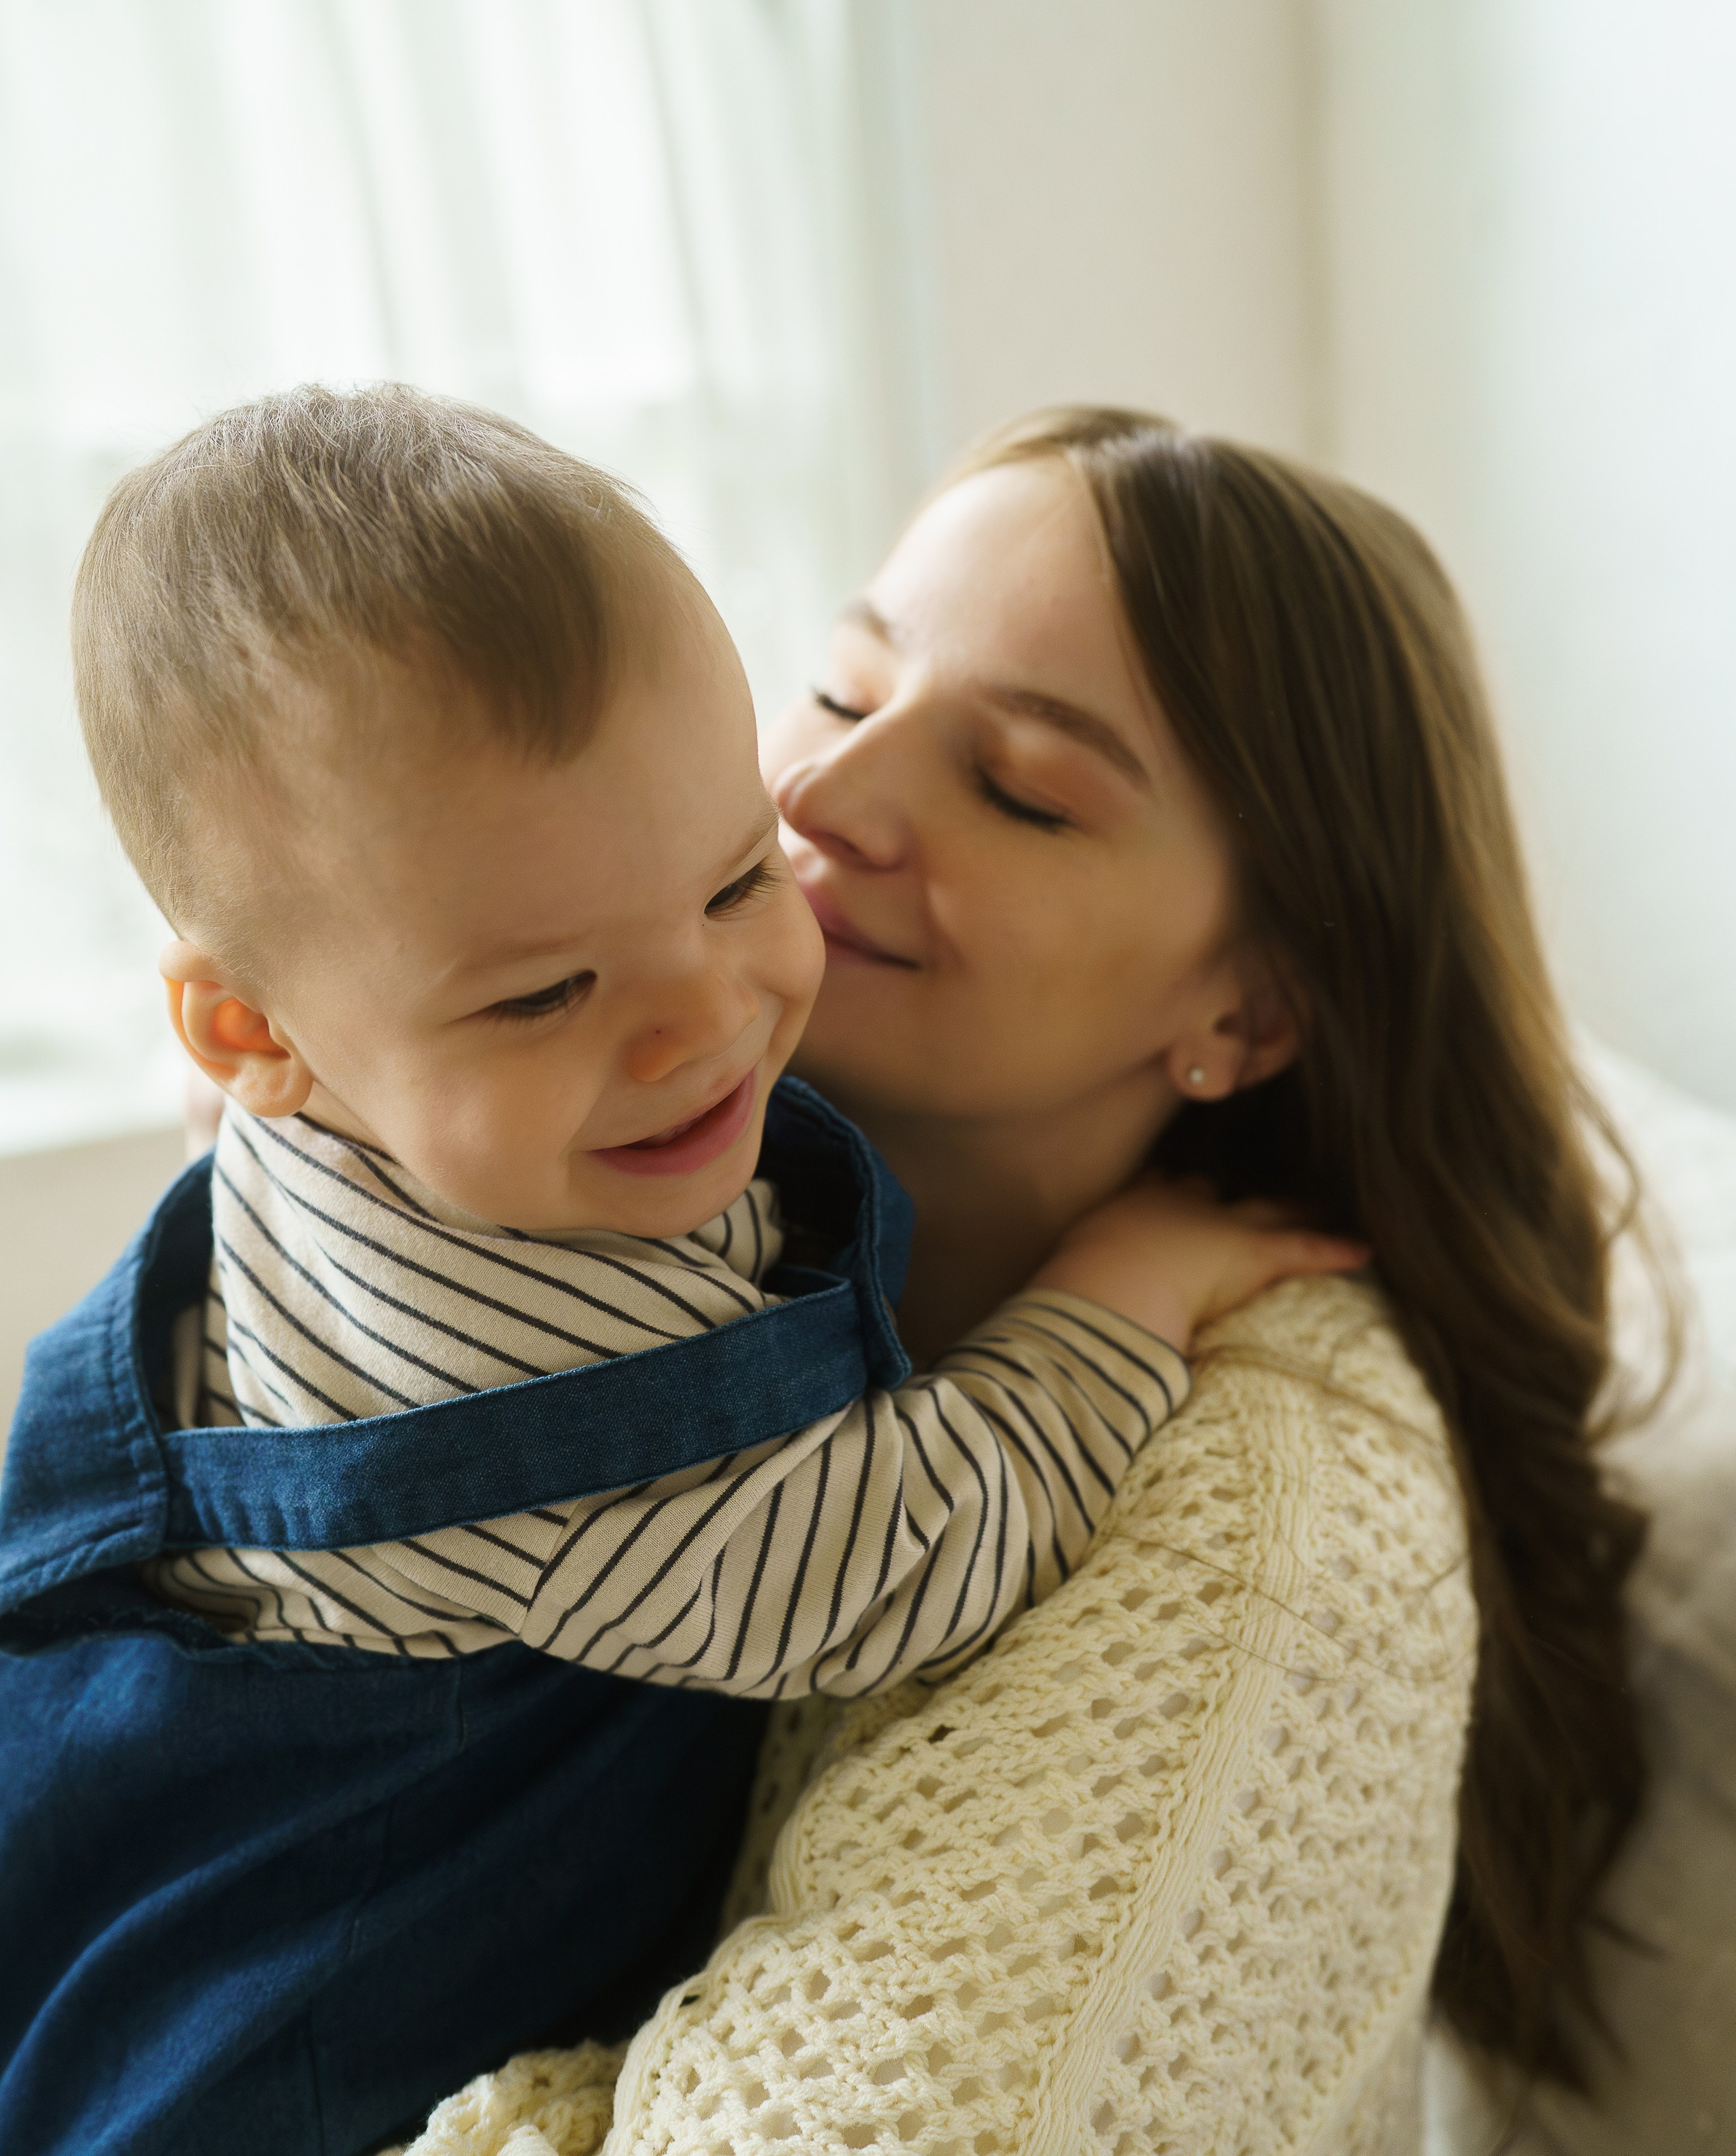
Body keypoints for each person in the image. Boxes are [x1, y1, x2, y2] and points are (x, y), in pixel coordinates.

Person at [0, 387, 1361, 2156]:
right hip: (271, 2049)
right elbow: (910, 1549)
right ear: (260, 1029)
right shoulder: (551, 1417)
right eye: (545, 993)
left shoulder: (372, 1074)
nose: (710, 1025)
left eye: (733, 881)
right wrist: (1132, 1283)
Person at [406, 406, 1659, 2151]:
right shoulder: (652, 1231)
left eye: (1022, 792)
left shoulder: (1264, 1554)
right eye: (841, 692)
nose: (821, 798)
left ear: (1244, 1013)